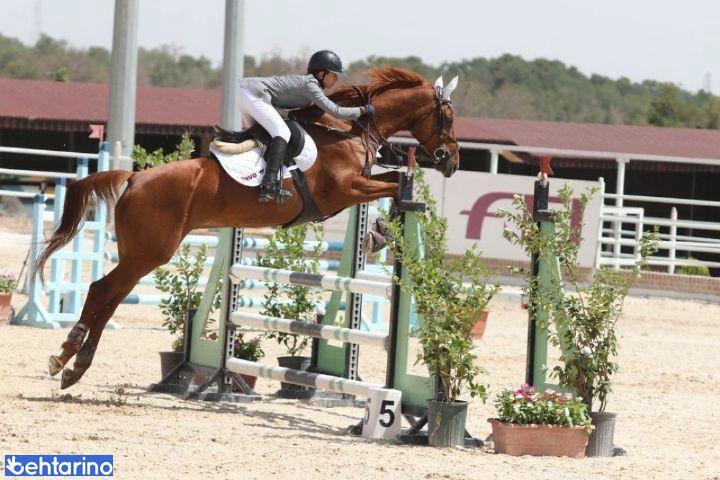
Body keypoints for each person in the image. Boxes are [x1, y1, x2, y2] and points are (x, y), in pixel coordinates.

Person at [237, 50, 373, 202]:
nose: (336, 79)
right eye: (333, 75)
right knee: (282, 132)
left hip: (245, 92)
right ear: (321, 74)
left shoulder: (309, 86)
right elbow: (336, 111)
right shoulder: (310, 86)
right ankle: (268, 184)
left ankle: (250, 178)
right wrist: (362, 110)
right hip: (253, 93)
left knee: (263, 138)